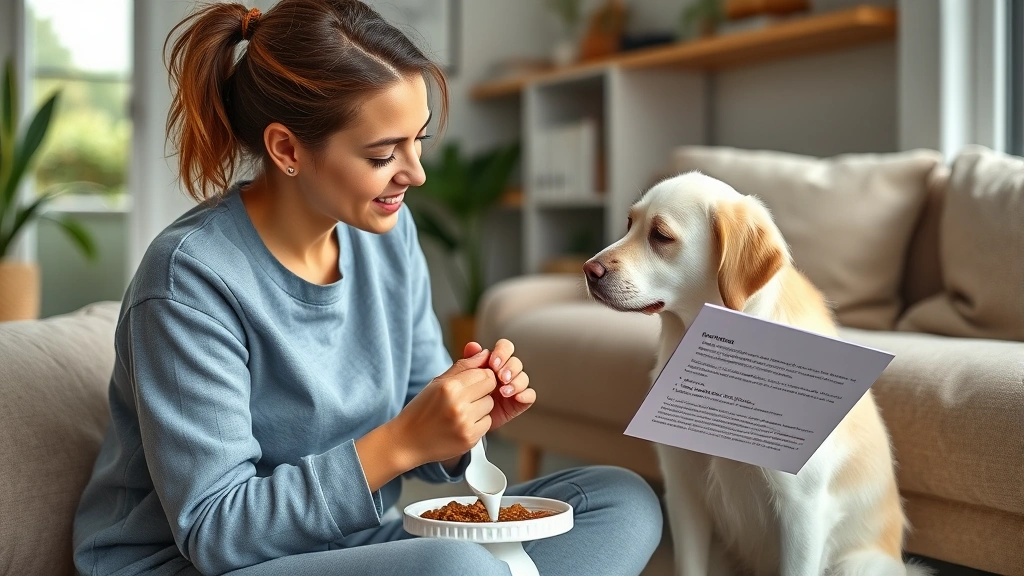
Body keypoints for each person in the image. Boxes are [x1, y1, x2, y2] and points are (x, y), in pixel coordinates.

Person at [71, 1, 663, 575]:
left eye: (419, 141)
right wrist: (403, 441)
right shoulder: (188, 280)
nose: (416, 173)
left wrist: (460, 416)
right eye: (384, 154)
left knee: (620, 501)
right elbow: (215, 530)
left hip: (344, 545)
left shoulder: (385, 230)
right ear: (287, 149)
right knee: (455, 569)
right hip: (196, 562)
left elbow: (420, 415)